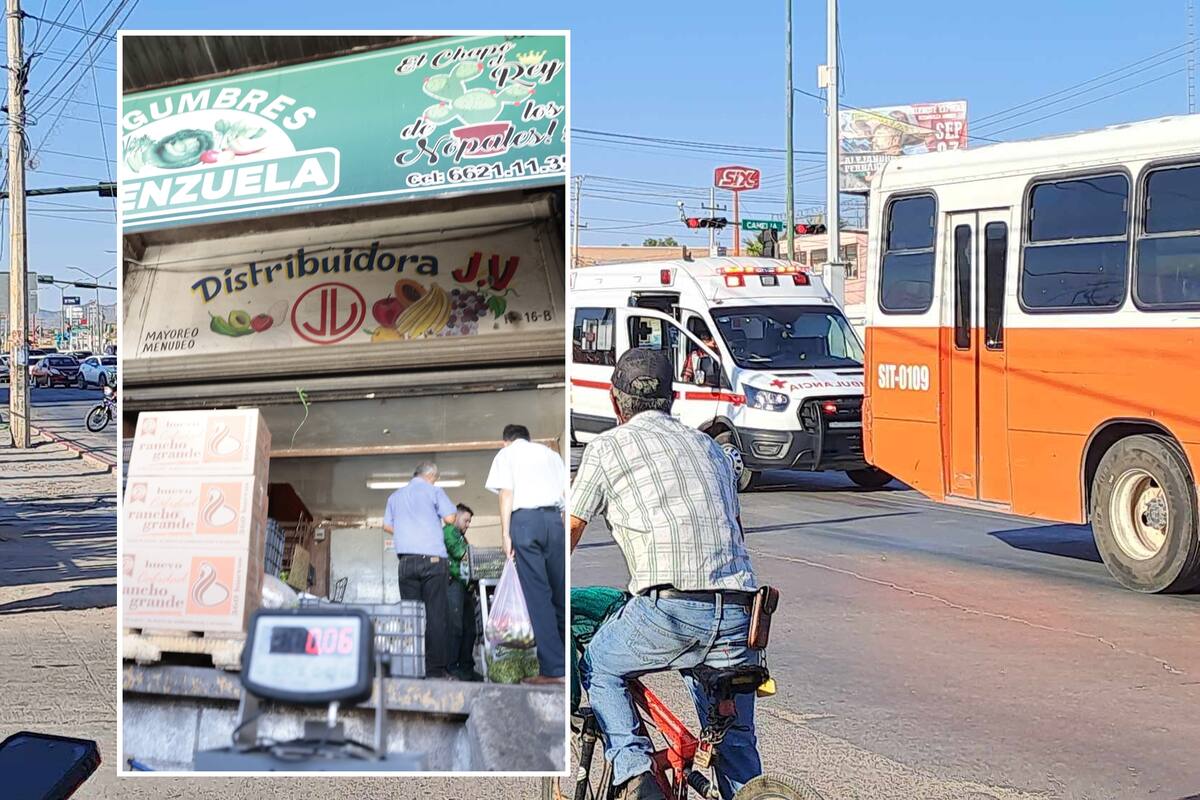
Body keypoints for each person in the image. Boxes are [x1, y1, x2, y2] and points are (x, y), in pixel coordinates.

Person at [570, 348, 761, 800]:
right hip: (742, 612)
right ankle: (753, 790)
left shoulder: (606, 447)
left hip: (669, 610)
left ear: (616, 403)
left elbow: (570, 528)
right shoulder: (709, 447)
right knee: (733, 740)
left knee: (599, 665)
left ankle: (636, 773)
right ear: (672, 399)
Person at [485, 424, 567, 685]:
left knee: (538, 596)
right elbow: (566, 494)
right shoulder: (551, 455)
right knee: (560, 591)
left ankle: (555, 670)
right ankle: (570, 662)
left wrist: (505, 534)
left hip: (524, 522)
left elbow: (506, 494)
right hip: (554, 522)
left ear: (506, 441)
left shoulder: (506, 455)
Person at [383, 461, 457, 679]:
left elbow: (387, 525)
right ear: (431, 476)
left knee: (411, 617)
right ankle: (435, 671)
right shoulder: (434, 491)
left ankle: (411, 669)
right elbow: (451, 518)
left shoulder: (395, 497)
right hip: (433, 561)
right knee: (436, 616)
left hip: (406, 563)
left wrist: (408, 530)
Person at [443, 502, 483, 681]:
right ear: (457, 516)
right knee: (456, 627)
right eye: (466, 521)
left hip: (466, 588)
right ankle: (452, 667)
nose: (467, 525)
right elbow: (460, 553)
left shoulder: (462, 537)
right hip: (453, 585)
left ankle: (467, 667)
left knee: (470, 629)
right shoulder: (449, 531)